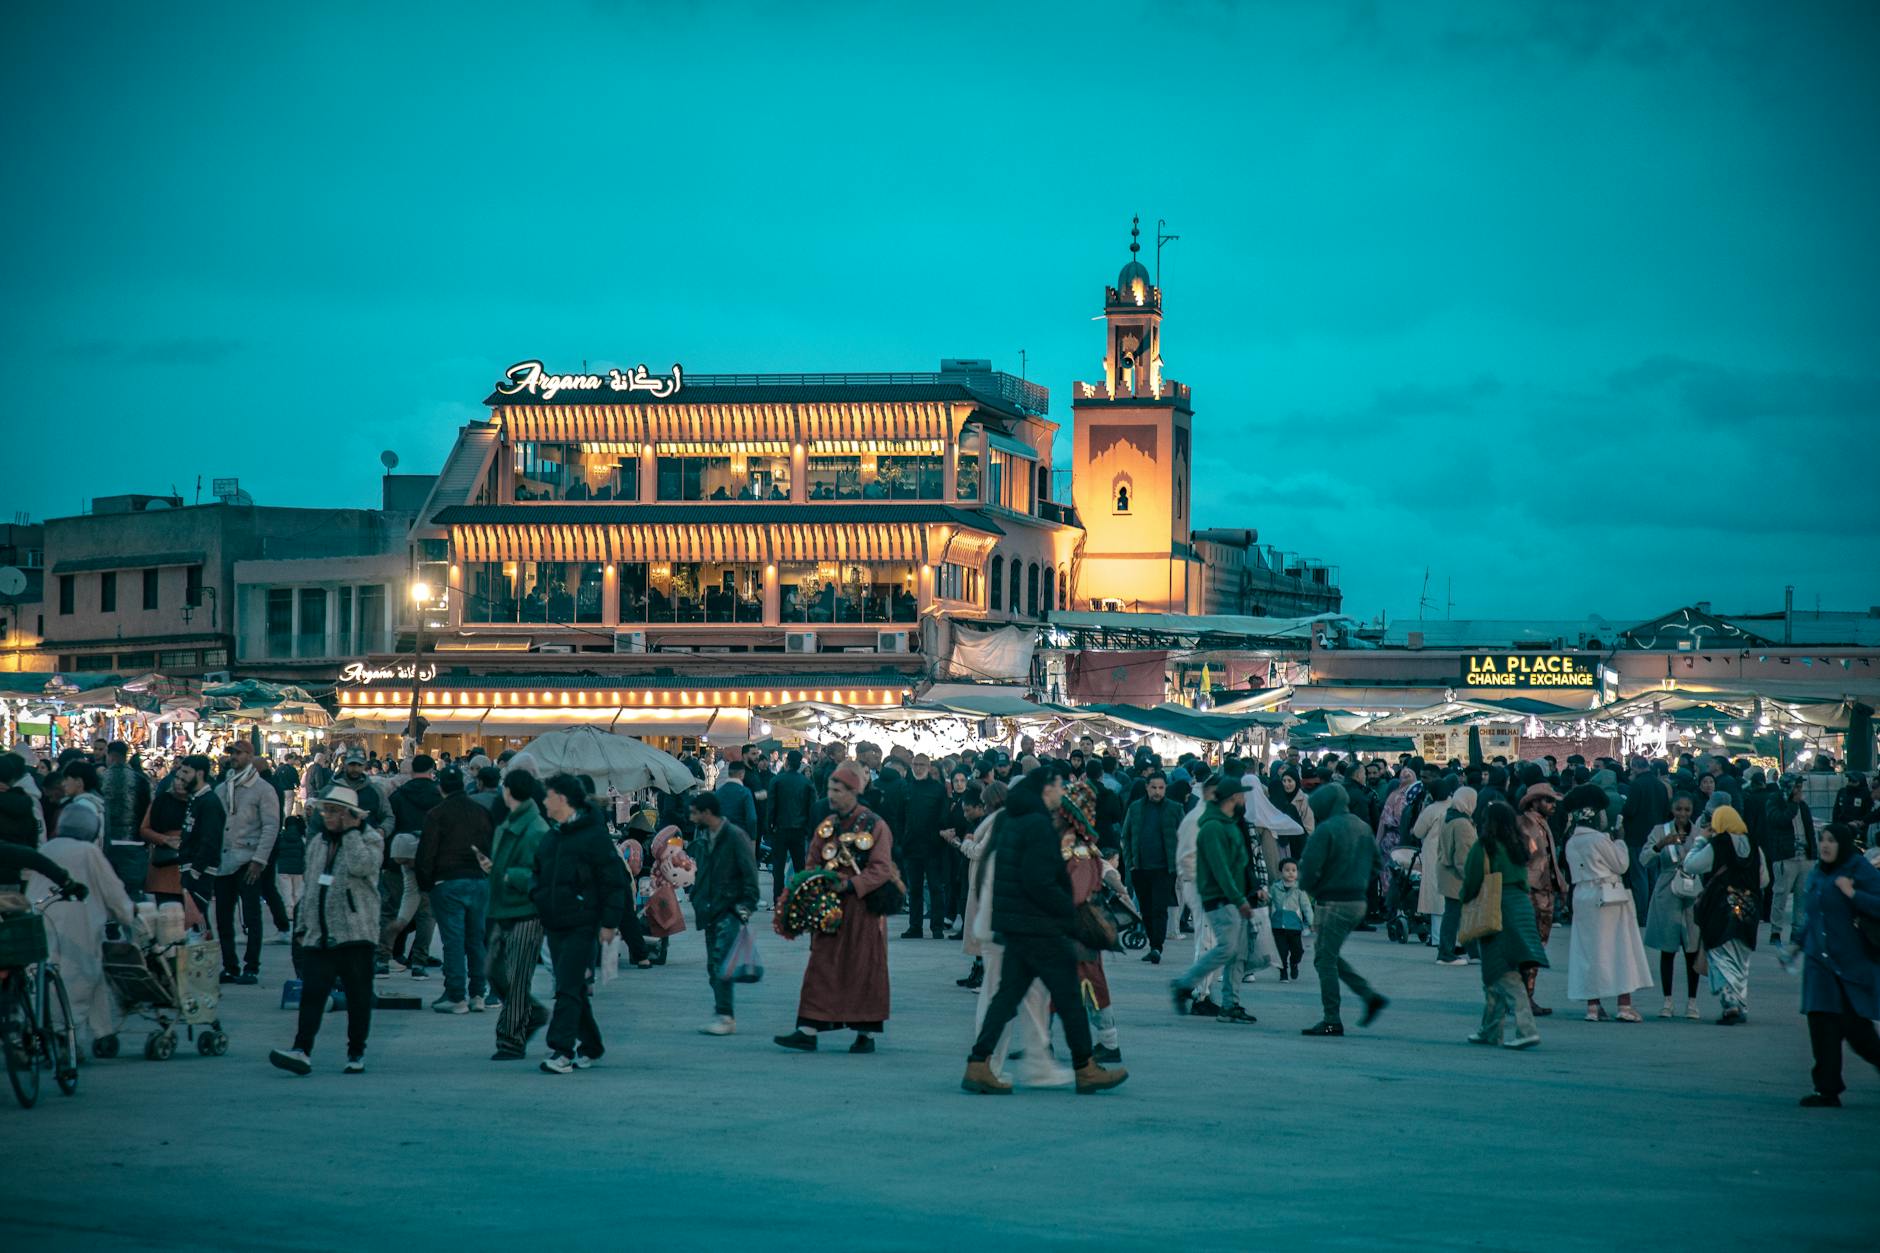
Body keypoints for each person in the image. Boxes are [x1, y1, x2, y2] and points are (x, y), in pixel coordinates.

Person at [962, 768, 1128, 1095]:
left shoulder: (1010, 817)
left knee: (1007, 996)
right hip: (1039, 926)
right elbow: (1039, 879)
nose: (1061, 793)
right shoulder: (1037, 823)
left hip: (1015, 925)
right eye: (1058, 786)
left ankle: (979, 1063)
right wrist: (1067, 911)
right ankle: (1085, 1067)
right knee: (1068, 998)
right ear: (1045, 789)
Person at [775, 761, 895, 1054]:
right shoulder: (826, 826)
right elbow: (812, 862)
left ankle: (865, 1034)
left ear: (853, 791)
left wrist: (851, 884)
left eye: (838, 789)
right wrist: (815, 884)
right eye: (830, 788)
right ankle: (807, 1029)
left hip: (863, 912)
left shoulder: (875, 825)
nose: (832, 794)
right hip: (829, 909)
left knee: (864, 968)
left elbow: (881, 869)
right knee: (821, 965)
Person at [268, 784, 384, 1076]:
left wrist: (352, 833)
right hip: (319, 934)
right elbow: (310, 884)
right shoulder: (319, 841)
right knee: (313, 994)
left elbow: (361, 867)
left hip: (355, 933)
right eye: (325, 810)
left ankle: (356, 1052)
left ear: (351, 814)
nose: (327, 816)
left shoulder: (370, 839)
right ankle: (301, 1049)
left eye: (334, 811)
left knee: (358, 997)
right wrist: (303, 924)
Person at [533, 773, 628, 1074]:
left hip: (582, 922)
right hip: (554, 922)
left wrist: (609, 922)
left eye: (548, 796)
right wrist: (537, 896)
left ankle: (561, 1050)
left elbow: (614, 882)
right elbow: (538, 874)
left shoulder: (593, 837)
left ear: (562, 798)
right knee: (569, 985)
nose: (544, 802)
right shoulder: (552, 836)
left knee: (568, 986)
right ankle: (591, 1045)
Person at [30, 815, 137, 1054]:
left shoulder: (48, 847)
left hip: (41, 915)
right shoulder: (88, 851)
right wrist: (128, 914)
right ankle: (67, 1036)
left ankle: (103, 1031)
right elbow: (112, 889)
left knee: (68, 975)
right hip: (78, 918)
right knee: (78, 976)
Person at [1796, 823, 1880, 1106]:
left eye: (1832, 840)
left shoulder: (1858, 869)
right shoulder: (1819, 872)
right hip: (1819, 966)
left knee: (1858, 1033)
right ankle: (1827, 1089)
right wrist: (1798, 944)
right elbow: (1813, 914)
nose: (1826, 846)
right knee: (1821, 1027)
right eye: (1823, 840)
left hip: (1849, 966)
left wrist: (1853, 894)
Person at [1298, 783, 1388, 1036]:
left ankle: (1331, 1019)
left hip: (1332, 902)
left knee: (1324, 960)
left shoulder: (1326, 830)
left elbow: (1308, 871)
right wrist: (1357, 882)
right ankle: (1368, 996)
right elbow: (1377, 864)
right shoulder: (1362, 826)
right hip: (1358, 901)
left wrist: (1316, 890)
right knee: (1330, 955)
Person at [1561, 783, 1654, 1022]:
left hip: (1582, 895)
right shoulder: (1599, 839)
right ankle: (1624, 1005)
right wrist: (1620, 841)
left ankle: (1593, 1006)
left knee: (1589, 951)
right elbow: (1621, 865)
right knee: (1620, 948)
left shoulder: (1572, 841)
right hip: (1609, 896)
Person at [1461, 801, 1547, 1049]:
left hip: (1496, 909)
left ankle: (1526, 1028)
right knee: (1500, 970)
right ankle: (1490, 1029)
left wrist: (1465, 901)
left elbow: (1471, 882)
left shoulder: (1484, 846)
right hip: (1521, 908)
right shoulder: (1518, 846)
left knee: (1501, 972)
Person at [1170, 778, 1257, 1024]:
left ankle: (1227, 1002)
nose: (1245, 800)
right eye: (1241, 795)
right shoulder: (1207, 824)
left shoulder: (1223, 822)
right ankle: (1194, 989)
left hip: (1226, 893)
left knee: (1231, 950)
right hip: (1215, 894)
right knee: (1218, 946)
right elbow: (1212, 864)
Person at [485, 770, 551, 1061]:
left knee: (516, 977)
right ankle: (533, 1013)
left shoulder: (535, 828)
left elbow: (540, 873)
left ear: (508, 791)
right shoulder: (513, 823)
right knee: (495, 972)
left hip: (525, 911)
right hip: (504, 907)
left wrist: (509, 875)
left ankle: (511, 1039)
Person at [417, 767, 494, 1013]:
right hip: (479, 881)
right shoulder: (481, 812)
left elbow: (426, 852)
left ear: (441, 787)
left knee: (453, 941)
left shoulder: (437, 814)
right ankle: (478, 994)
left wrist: (426, 883)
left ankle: (456, 995)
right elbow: (491, 846)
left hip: (448, 881)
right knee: (476, 940)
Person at [1684, 804, 1766, 1025]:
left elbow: (1691, 865)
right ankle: (1740, 1003)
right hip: (1749, 909)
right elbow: (1764, 879)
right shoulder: (1755, 845)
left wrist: (1701, 840)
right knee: (1740, 957)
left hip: (1721, 909)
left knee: (1720, 956)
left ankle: (1730, 1004)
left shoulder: (1717, 844)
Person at [689, 791, 759, 1037]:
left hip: (729, 908)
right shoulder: (703, 837)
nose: (691, 816)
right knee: (714, 964)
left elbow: (750, 873)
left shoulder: (734, 836)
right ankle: (722, 1013)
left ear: (707, 813)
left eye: (695, 812)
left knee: (721, 963)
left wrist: (745, 906)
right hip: (710, 907)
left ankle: (725, 1016)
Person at [213, 740, 280, 984]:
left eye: (238, 753)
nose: (234, 757)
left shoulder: (262, 789)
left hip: (249, 859)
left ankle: (252, 965)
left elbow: (271, 825)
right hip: (224, 860)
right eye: (231, 753)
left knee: (251, 916)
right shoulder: (223, 788)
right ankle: (230, 965)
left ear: (250, 756)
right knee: (223, 917)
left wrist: (259, 860)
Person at [1642, 794, 1704, 1020]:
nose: (1683, 814)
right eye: (1679, 809)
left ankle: (1692, 1001)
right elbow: (1644, 859)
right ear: (1672, 809)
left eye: (1687, 810)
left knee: (1692, 948)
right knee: (1667, 949)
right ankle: (1667, 1000)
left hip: (1692, 892)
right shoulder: (1660, 830)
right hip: (1667, 890)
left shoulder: (1698, 833)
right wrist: (1660, 845)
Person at [1120, 770, 1181, 964]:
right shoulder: (1136, 808)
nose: (1157, 791)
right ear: (1147, 787)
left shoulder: (1174, 808)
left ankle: (1157, 947)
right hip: (1140, 868)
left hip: (1165, 868)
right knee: (1146, 909)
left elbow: (1184, 835)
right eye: (1153, 787)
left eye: (1161, 788)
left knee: (1159, 907)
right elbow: (1126, 835)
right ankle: (1153, 945)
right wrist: (1130, 863)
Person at [1515, 782, 1563, 1015]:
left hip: (1543, 891)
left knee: (1536, 948)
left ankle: (1526, 996)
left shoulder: (1540, 824)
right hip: (1531, 891)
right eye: (1548, 800)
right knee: (1529, 948)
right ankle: (1522, 998)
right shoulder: (1525, 824)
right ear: (1534, 802)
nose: (1552, 805)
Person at [897, 753, 950, 939]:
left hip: (932, 846)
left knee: (935, 887)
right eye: (915, 764)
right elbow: (900, 816)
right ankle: (915, 927)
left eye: (921, 765)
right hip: (911, 846)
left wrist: (939, 836)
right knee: (915, 889)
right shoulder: (907, 788)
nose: (918, 768)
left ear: (928, 766)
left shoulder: (938, 789)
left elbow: (943, 816)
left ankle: (937, 927)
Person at [1763, 775, 1817, 951]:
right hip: (1785, 856)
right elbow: (1778, 820)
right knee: (1780, 894)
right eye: (1797, 787)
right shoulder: (1775, 801)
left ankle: (1797, 932)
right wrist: (1792, 804)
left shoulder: (1803, 806)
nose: (1800, 790)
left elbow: (1809, 829)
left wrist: (1813, 854)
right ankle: (1776, 931)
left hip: (1804, 857)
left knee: (1802, 897)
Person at [176, 755, 225, 934]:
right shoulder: (196, 799)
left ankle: (203, 958)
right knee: (194, 921)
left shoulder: (209, 802)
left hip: (200, 871)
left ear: (200, 773)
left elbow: (210, 840)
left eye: (186, 772)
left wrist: (195, 871)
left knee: (197, 921)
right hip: (190, 868)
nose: (182, 777)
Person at [98, 740, 152, 900]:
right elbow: (148, 810)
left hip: (108, 843)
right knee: (133, 894)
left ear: (109, 755)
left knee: (108, 895)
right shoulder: (141, 780)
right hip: (135, 844)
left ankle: (114, 924)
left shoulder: (101, 779)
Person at [1433, 786, 1479, 966]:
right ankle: (1445, 953)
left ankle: (1474, 952)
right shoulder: (1463, 824)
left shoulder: (1447, 817)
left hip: (1445, 871)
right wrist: (1471, 878)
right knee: (1455, 915)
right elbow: (1463, 858)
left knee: (1459, 913)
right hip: (1457, 876)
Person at [767, 749, 815, 908]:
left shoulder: (777, 780)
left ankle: (778, 900)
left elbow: (771, 806)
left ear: (787, 762)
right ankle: (802, 898)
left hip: (780, 829)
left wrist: (769, 826)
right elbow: (811, 807)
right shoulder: (806, 783)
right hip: (799, 829)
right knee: (800, 866)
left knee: (778, 867)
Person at [139, 770, 191, 906]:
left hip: (189, 867)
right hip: (163, 867)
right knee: (167, 917)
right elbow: (144, 829)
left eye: (184, 780)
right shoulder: (161, 801)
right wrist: (164, 839)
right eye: (177, 779)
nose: (179, 783)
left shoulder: (199, 802)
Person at [1268, 858, 1311, 981]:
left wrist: (1311, 922)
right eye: (1287, 870)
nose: (1290, 873)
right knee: (1281, 952)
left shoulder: (1299, 889)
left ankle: (1294, 963)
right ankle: (1283, 972)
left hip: (1294, 926)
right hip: (1278, 925)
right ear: (1281, 872)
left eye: (1293, 870)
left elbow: (1306, 906)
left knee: (1298, 951)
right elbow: (1268, 902)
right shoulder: (1275, 887)